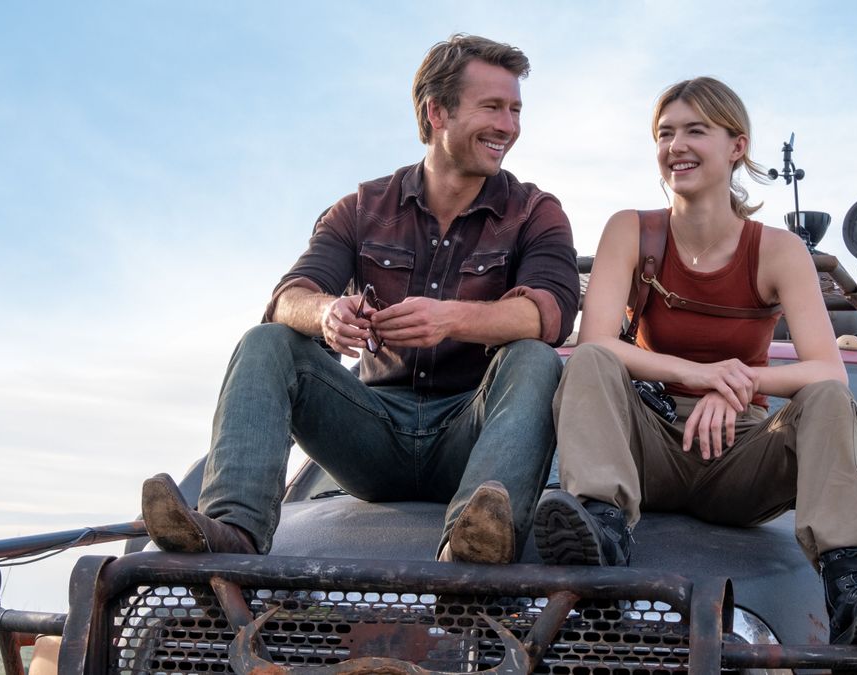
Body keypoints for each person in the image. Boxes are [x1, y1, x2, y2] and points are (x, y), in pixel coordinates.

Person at [141, 34, 579, 566]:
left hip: (472, 429)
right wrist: (326, 313)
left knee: (535, 356)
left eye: (515, 110)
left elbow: (551, 313)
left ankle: (474, 544)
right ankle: (233, 529)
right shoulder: (361, 208)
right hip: (372, 433)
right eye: (492, 107)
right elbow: (288, 298)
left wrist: (450, 319)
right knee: (266, 341)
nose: (508, 126)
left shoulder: (535, 211)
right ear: (436, 112)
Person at [532, 77, 857, 647]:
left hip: (740, 456)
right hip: (646, 445)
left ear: (737, 146)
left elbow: (828, 370)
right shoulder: (631, 231)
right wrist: (696, 374)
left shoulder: (778, 250)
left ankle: (853, 584)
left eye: (695, 131)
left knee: (828, 400)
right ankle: (602, 527)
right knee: (590, 360)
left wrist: (735, 384)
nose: (676, 146)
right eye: (665, 134)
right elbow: (595, 342)